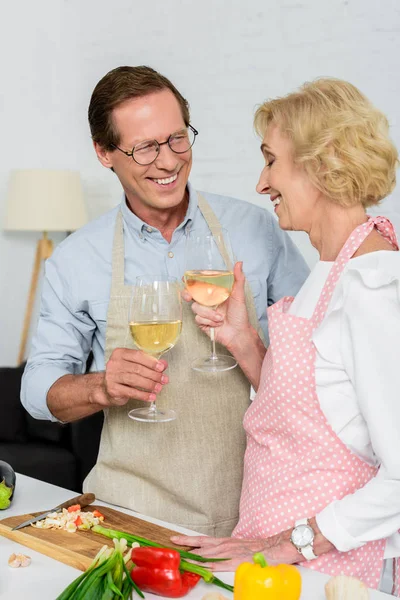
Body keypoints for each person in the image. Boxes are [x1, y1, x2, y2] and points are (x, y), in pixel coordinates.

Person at [21, 66, 309, 536]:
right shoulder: (77, 258)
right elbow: (37, 389)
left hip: (251, 511)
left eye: (178, 138)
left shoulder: (257, 231)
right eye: (144, 148)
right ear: (103, 153)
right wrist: (101, 388)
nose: (169, 160)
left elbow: (315, 366)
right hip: (128, 515)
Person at [173, 78, 400, 594]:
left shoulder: (372, 286)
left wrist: (287, 544)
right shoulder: (331, 270)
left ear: (324, 163)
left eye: (271, 160)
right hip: (270, 567)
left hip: (324, 577)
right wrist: (245, 342)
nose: (261, 182)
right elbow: (322, 408)